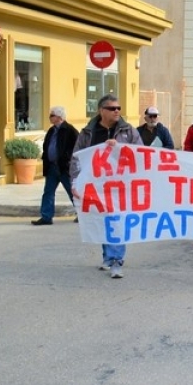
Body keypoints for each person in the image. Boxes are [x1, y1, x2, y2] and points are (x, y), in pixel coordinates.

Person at [70, 95, 143, 279]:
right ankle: (108, 257)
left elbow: (141, 154)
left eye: (119, 108)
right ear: (101, 111)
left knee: (116, 222)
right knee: (102, 221)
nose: (117, 111)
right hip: (96, 186)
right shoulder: (88, 132)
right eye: (112, 108)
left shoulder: (128, 131)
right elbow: (77, 158)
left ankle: (117, 260)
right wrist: (74, 183)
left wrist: (120, 148)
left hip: (120, 187)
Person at [31, 106, 79, 226]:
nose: (50, 118)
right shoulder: (51, 130)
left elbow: (77, 146)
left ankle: (82, 213)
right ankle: (46, 216)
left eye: (52, 115)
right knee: (48, 191)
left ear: (59, 117)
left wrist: (68, 160)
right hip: (52, 166)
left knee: (72, 191)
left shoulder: (70, 130)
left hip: (64, 167)